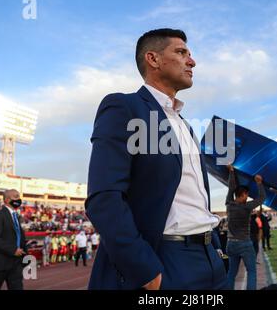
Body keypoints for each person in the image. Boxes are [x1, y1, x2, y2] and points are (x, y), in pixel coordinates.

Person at [86, 28, 226, 290]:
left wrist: (216, 250)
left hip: (211, 259)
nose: (192, 61)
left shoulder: (184, 124)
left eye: (190, 54)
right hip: (166, 262)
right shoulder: (124, 106)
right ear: (153, 59)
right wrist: (146, 271)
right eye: (181, 52)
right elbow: (104, 197)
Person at [225, 164, 266, 290]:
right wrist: (259, 183)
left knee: (231, 273)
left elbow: (231, 188)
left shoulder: (228, 204)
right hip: (244, 243)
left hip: (230, 243)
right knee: (252, 271)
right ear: (242, 194)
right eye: (246, 195)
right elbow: (262, 198)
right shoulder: (247, 207)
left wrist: (231, 172)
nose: (247, 197)